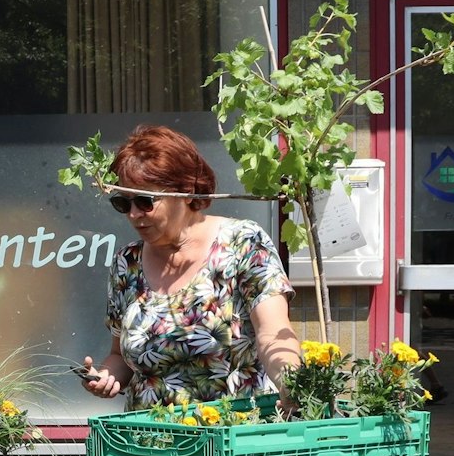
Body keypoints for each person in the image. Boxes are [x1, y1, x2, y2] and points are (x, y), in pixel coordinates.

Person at [80, 124, 300, 408]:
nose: (134, 214)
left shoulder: (242, 243)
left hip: (231, 432)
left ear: (185, 191)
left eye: (145, 201)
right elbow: (120, 355)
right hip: (149, 439)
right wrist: (107, 376)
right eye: (123, 203)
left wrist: (291, 384)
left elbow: (273, 332)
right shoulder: (127, 263)